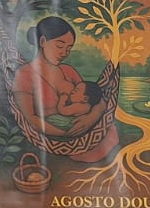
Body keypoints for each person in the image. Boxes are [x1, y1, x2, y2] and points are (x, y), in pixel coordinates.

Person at [10, 17, 119, 161]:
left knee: (110, 132)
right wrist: (66, 135)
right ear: (42, 42)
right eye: (60, 46)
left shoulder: (68, 71)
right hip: (54, 135)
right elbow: (30, 119)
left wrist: (92, 117)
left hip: (87, 130)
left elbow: (93, 98)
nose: (64, 53)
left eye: (69, 48)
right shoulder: (24, 75)